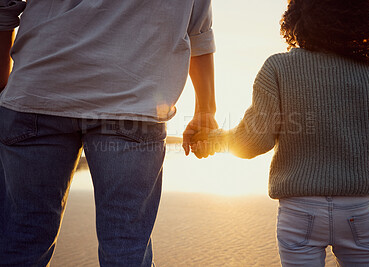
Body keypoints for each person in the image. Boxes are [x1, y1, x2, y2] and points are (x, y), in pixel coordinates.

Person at [0, 0, 218, 266]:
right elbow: (198, 29)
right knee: (125, 249)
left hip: (38, 87)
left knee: (21, 241)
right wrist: (206, 111)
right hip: (133, 100)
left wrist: (4, 83)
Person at [192, 0, 369, 266]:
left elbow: (255, 139)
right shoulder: (367, 72)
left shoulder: (277, 68)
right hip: (356, 208)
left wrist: (216, 141)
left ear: (296, 18)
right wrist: (352, 147)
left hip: (300, 210)